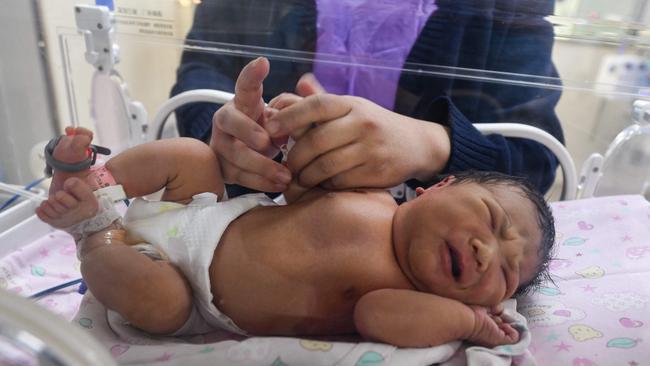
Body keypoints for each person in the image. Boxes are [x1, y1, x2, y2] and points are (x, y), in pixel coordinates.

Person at [36, 126, 555, 348]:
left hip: (190, 290)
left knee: (160, 302)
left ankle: (93, 229)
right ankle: (92, 181)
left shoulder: (406, 295)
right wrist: (284, 140)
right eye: (489, 220)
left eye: (507, 274)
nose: (488, 253)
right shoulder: (372, 193)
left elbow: (375, 319)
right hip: (206, 215)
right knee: (193, 157)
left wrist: (469, 322)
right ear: (435, 187)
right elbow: (298, 186)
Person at [170, 0, 564, 201]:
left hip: (412, 252)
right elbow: (203, 69)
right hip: (259, 219)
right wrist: (222, 135)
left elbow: (534, 158)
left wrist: (432, 145)